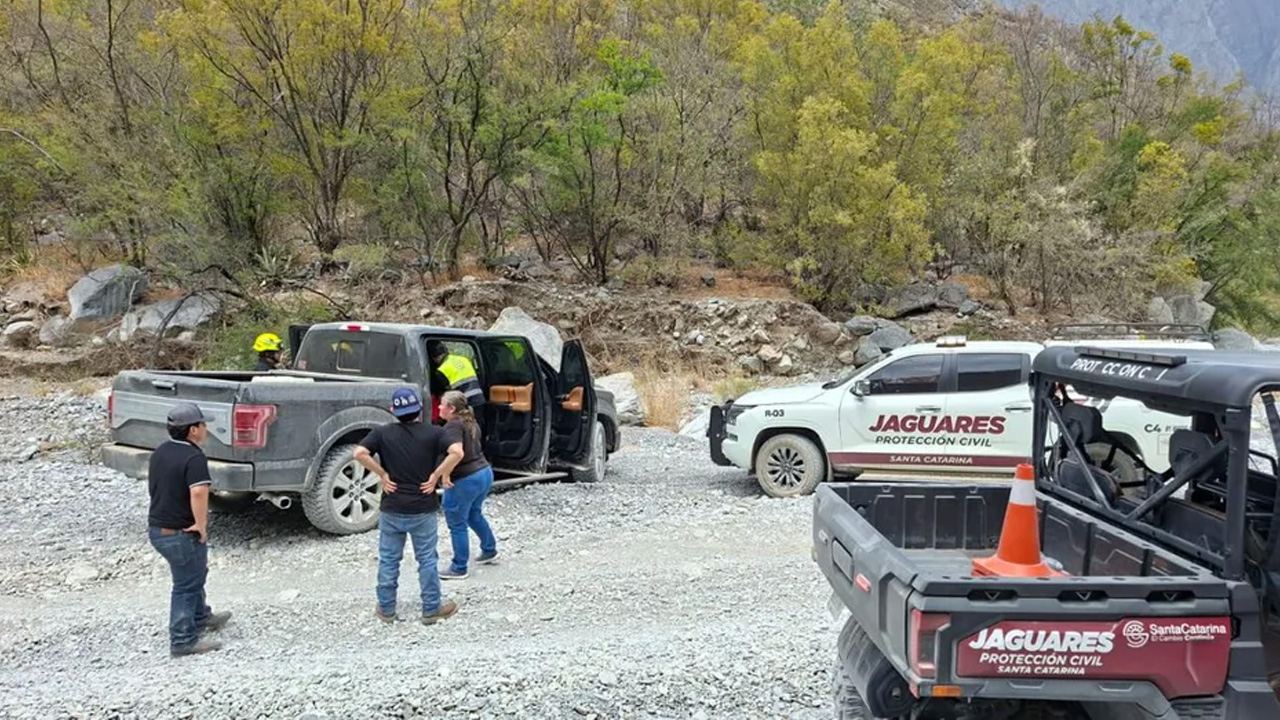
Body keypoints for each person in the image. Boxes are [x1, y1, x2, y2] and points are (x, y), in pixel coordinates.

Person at [353, 388, 459, 625]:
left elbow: (359, 453)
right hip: (423, 507)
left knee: (389, 560)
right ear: (419, 409)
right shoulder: (435, 433)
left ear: (393, 410)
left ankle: (386, 608)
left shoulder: (382, 433)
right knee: (427, 560)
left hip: (392, 507)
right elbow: (457, 452)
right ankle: (431, 608)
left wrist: (382, 474)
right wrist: (436, 475)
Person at [147, 403, 231, 657]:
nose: (206, 428)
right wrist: (201, 524)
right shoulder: (194, 458)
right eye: (203, 424)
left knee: (194, 572)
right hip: (180, 532)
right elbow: (198, 492)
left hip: (158, 528)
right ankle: (182, 640)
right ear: (193, 430)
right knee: (186, 584)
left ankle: (201, 616)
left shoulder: (161, 451)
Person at [437, 390, 498, 581]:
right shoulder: (470, 422)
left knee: (457, 523)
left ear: (451, 408)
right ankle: (489, 549)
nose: (439, 407)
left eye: (442, 404)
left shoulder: (453, 426)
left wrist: (444, 474)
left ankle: (459, 567)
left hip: (465, 479)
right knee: (474, 514)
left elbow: (457, 453)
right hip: (484, 473)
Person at [427, 340, 485, 410]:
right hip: (479, 399)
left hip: (464, 404)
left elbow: (444, 394)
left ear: (435, 357)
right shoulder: (463, 359)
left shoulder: (441, 370)